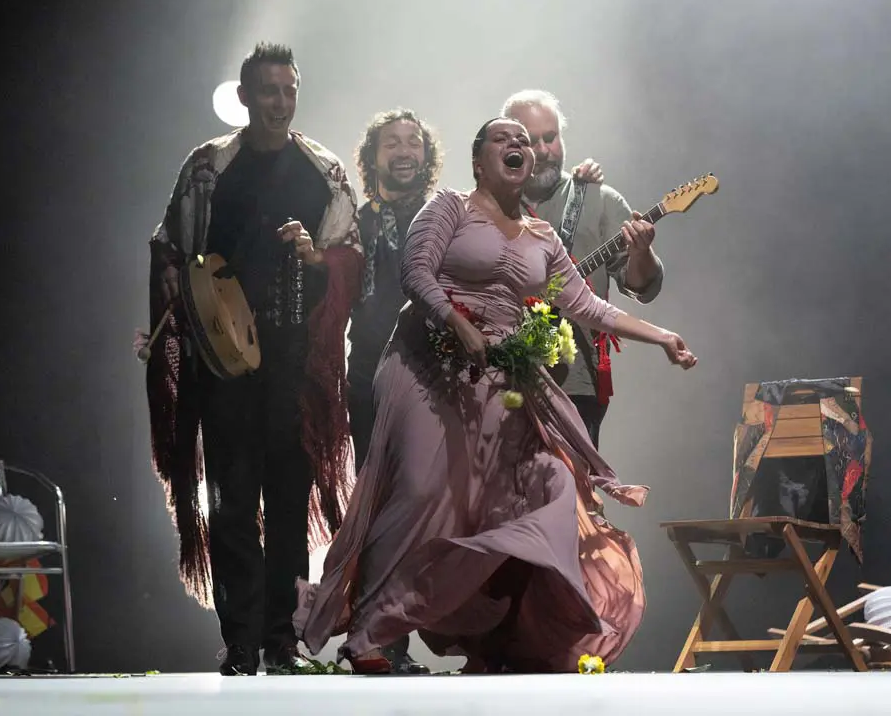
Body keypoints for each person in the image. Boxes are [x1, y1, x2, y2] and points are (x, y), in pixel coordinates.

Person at [293, 117, 697, 674]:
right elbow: (416, 273)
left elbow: (589, 307)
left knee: (548, 485)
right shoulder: (449, 208)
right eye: (503, 140)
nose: (518, 146)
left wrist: (662, 337)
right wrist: (457, 323)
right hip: (425, 364)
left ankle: (506, 637)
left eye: (525, 143)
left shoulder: (543, 237)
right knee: (419, 489)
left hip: (501, 378)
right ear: (479, 160)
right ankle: (367, 633)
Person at [146, 42, 363, 675]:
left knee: (289, 495)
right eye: (269, 91)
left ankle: (279, 638)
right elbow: (169, 248)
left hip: (292, 355)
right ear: (244, 97)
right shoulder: (210, 166)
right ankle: (240, 641)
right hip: (224, 359)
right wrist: (174, 317)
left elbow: (349, 257)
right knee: (233, 497)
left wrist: (316, 258)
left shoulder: (321, 170)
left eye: (289, 91)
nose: (280, 102)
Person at [502, 90, 664, 449]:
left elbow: (642, 287)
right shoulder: (487, 206)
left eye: (552, 137)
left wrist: (641, 252)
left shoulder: (599, 199)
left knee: (575, 494)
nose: (544, 150)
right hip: (500, 381)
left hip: (576, 382)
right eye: (532, 141)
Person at [346, 108, 443, 674]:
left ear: (426, 155)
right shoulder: (353, 222)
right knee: (379, 507)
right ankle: (379, 642)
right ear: (372, 158)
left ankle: (409, 633)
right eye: (391, 143)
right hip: (369, 378)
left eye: (413, 142)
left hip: (435, 377)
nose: (404, 151)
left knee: (426, 508)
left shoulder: (446, 214)